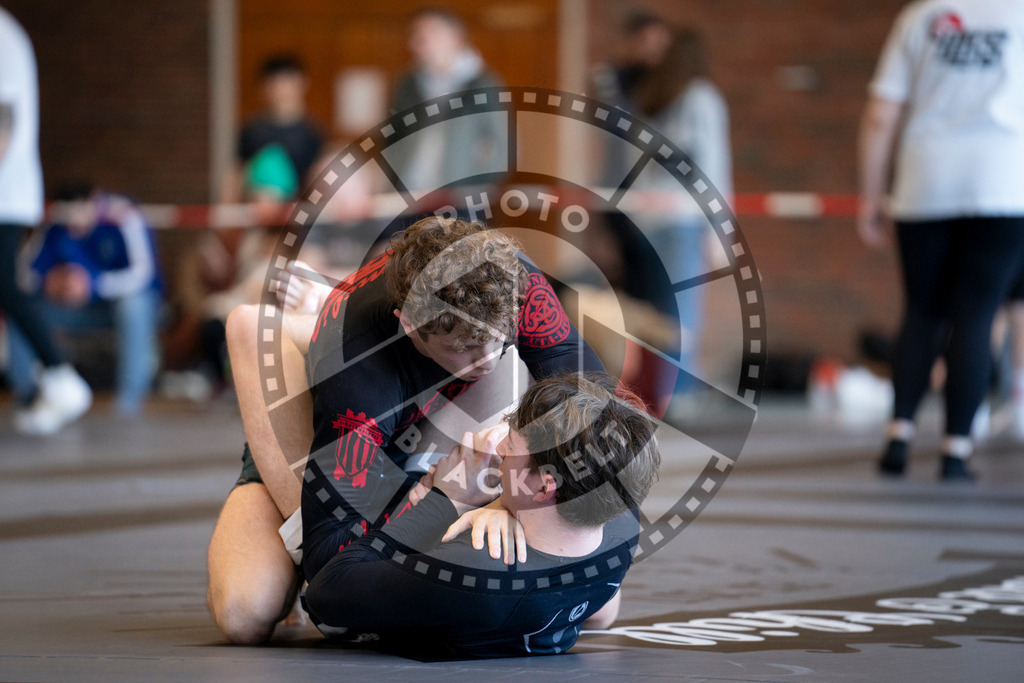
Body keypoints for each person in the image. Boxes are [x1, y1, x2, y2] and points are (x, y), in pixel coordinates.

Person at [206, 216, 604, 644]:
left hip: (431, 417)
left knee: (598, 605)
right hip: (331, 425)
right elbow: (331, 580)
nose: (488, 359)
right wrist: (451, 500)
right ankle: (304, 322)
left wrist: (503, 502)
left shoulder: (513, 282)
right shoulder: (358, 372)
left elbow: (601, 422)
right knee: (245, 614)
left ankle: (315, 312)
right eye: (466, 347)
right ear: (411, 325)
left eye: (500, 339)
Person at [302, 372, 659, 657]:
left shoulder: (471, 571)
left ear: (544, 487)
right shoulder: (623, 525)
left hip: (423, 590)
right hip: (540, 602)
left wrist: (446, 500)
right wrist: (501, 505)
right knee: (604, 612)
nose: (499, 447)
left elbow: (325, 593)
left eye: (511, 445)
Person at [858, 0, 1024, 480]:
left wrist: (872, 194)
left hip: (925, 181)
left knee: (921, 311)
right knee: (977, 316)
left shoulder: (918, 17)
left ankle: (898, 437)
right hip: (1001, 184)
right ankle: (955, 451)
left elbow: (880, 116)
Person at [0, 6, 91, 434]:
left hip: (5, 193)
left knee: (7, 285)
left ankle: (60, 376)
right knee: (7, 286)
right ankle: (58, 376)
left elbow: (3, 120)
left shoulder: (3, 35)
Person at [7, 187, 162, 416]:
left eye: (79, 212)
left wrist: (94, 284)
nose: (73, 221)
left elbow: (144, 275)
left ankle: (130, 400)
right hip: (73, 309)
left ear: (94, 202)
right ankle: (28, 397)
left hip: (114, 307)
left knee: (134, 306)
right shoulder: (54, 224)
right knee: (22, 308)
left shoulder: (124, 218)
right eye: (67, 215)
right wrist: (52, 282)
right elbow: (24, 274)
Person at [389, 7, 503, 195]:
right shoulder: (407, 83)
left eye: (426, 36)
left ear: (453, 37)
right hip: (409, 192)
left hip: (459, 196)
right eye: (415, 36)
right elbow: (392, 134)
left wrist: (475, 185)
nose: (416, 44)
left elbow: (501, 144)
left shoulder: (482, 83)